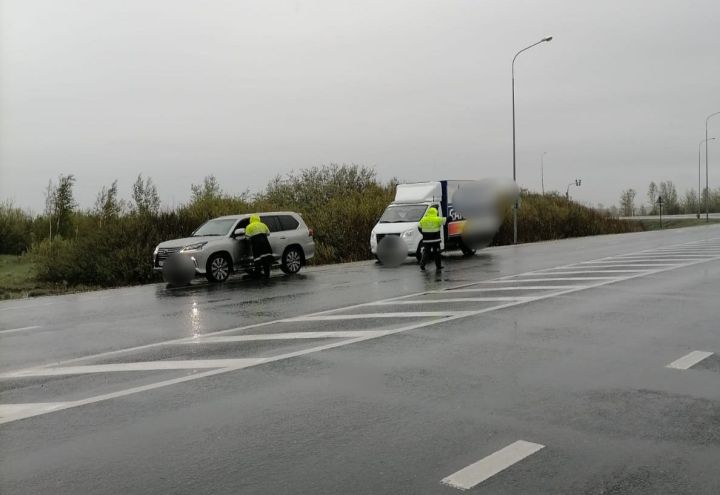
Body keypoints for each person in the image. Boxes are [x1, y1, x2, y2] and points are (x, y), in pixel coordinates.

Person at [418, 207, 446, 271]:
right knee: (437, 253)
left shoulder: (424, 219)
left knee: (426, 252)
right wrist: (449, 218)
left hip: (426, 240)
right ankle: (438, 266)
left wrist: (424, 233)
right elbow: (445, 220)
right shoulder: (437, 219)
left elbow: (419, 227)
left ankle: (422, 265)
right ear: (435, 212)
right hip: (435, 240)